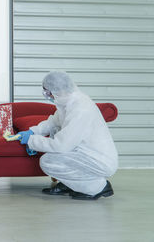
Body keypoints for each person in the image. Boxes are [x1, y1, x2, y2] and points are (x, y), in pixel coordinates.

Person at [17, 71, 118, 200]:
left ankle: (98, 187)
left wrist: (31, 141)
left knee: (48, 161)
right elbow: (54, 121)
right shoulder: (69, 102)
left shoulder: (80, 108)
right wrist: (33, 131)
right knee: (55, 150)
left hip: (98, 159)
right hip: (85, 152)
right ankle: (71, 185)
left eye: (48, 92)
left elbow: (61, 145)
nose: (47, 95)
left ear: (56, 90)